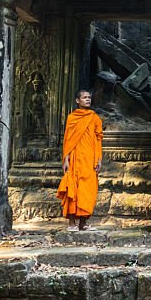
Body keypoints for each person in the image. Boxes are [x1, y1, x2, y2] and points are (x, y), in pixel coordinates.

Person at [57, 89, 103, 231]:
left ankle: (83, 223)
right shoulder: (72, 118)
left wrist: (99, 159)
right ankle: (71, 223)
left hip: (89, 159)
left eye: (89, 97)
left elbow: (98, 139)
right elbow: (68, 139)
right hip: (75, 158)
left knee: (87, 191)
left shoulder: (94, 117)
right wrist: (66, 158)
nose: (88, 100)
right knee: (73, 188)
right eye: (84, 97)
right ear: (78, 101)